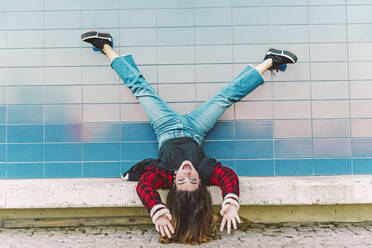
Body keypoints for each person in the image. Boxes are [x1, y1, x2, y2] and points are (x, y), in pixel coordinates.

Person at [81, 31, 297, 244]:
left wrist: (156, 208)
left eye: (181, 179)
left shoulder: (164, 175)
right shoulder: (204, 171)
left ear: (173, 185)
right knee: (227, 95)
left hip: (164, 127)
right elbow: (227, 176)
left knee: (139, 87)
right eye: (192, 180)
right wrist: (231, 199)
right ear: (201, 182)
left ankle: (105, 46)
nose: (186, 171)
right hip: (196, 128)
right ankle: (270, 60)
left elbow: (145, 184)